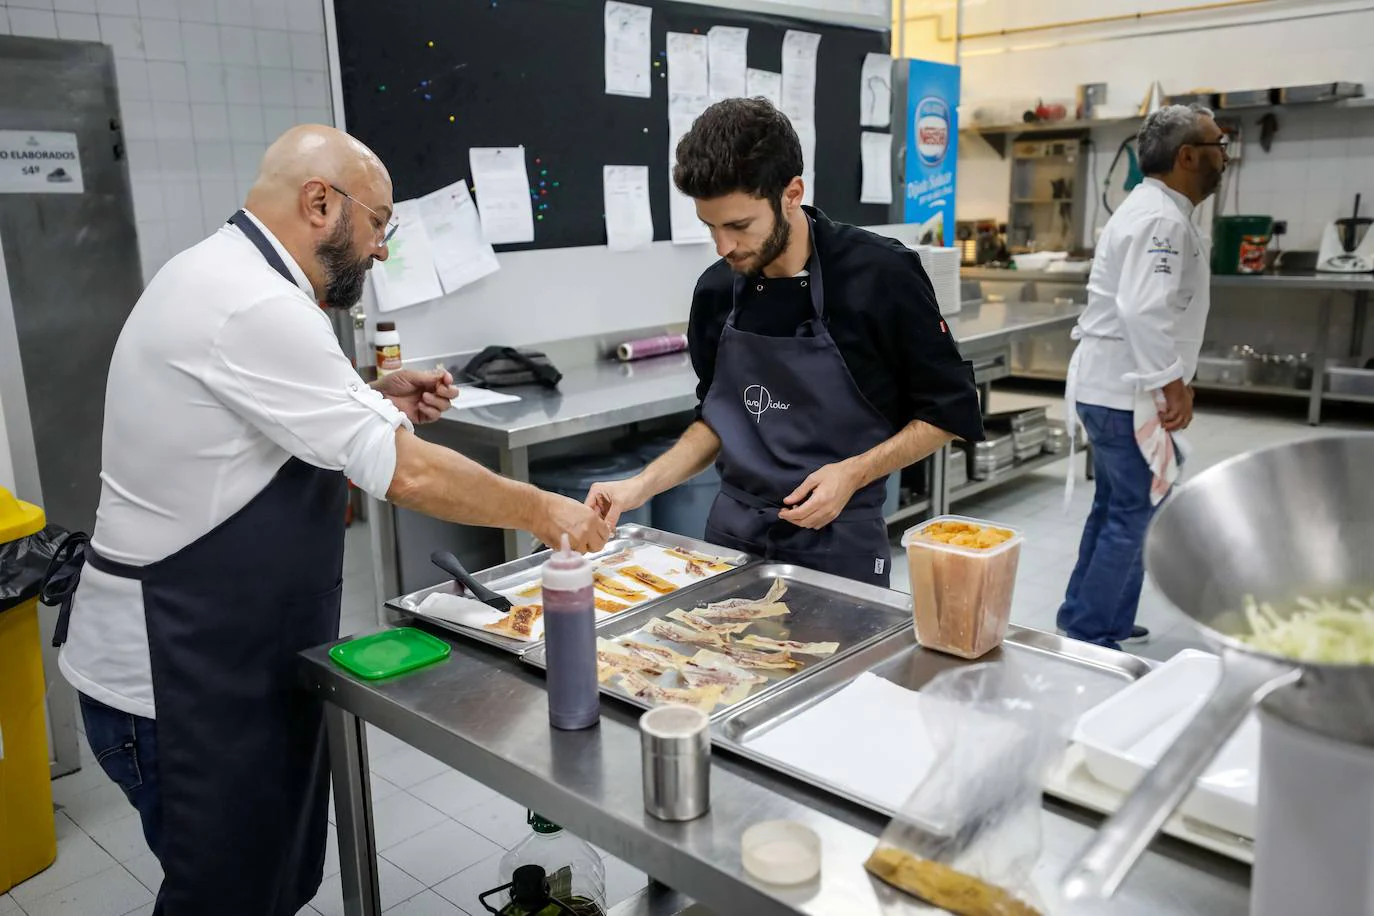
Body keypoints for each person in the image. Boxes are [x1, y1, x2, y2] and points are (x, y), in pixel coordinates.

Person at [54, 125, 612, 916]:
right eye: (380, 222)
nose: (382, 249)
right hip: (181, 683)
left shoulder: (226, 275)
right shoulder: (250, 302)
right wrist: (549, 512)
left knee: (262, 890)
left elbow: (249, 415)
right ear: (321, 203)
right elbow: (407, 470)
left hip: (228, 661)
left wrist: (373, 397)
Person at [586, 98, 983, 586]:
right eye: (710, 226)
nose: (723, 246)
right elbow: (719, 419)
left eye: (739, 226)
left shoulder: (879, 276)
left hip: (839, 541)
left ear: (791, 193)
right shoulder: (717, 291)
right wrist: (639, 487)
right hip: (730, 536)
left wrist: (852, 474)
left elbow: (949, 412)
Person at [1057, 104, 1226, 650]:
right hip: (1123, 391)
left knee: (1116, 506)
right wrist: (1171, 383)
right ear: (1188, 156)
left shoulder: (1158, 208)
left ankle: (1091, 614)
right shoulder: (1160, 218)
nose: (1225, 156)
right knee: (1134, 512)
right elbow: (1141, 309)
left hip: (1114, 385)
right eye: (1218, 145)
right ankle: (1090, 632)